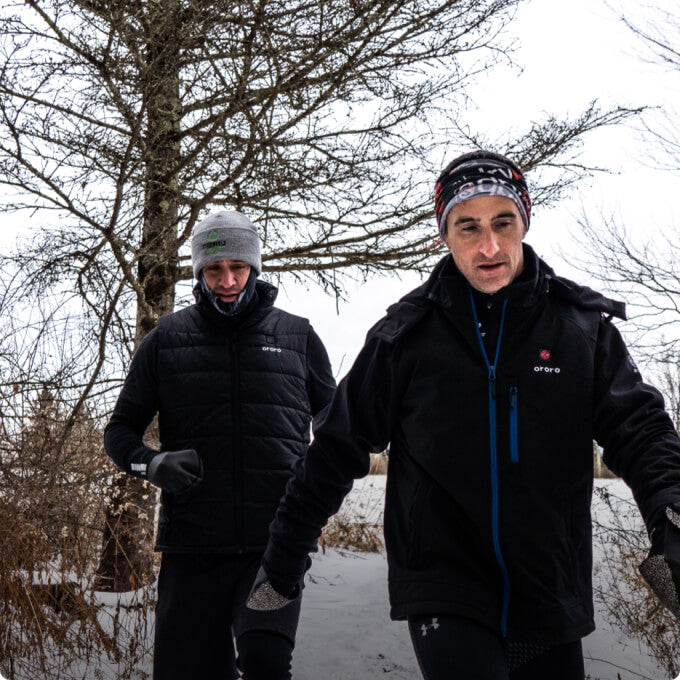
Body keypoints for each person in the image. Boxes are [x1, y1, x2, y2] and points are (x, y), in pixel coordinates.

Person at [247, 151, 680, 679]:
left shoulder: (581, 330)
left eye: (503, 223)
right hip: (444, 584)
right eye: (468, 227)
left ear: (525, 223)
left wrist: (670, 511)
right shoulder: (404, 337)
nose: (489, 246)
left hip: (550, 584)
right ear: (444, 236)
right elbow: (338, 445)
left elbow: (640, 429)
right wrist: (284, 556)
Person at [104, 210, 335, 680]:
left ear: (255, 267)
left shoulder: (298, 337)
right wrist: (151, 463)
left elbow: (337, 433)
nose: (227, 281)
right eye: (214, 269)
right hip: (192, 550)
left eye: (238, 267)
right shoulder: (167, 339)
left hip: (273, 550)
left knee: (265, 660)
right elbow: (119, 431)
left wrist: (311, 496)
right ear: (199, 271)